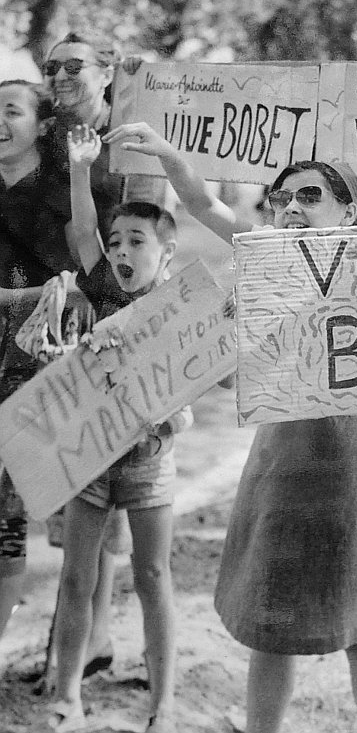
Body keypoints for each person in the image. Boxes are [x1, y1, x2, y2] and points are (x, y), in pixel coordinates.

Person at [104, 120, 357, 733]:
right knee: (269, 615)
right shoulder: (264, 251)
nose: (292, 208)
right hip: (278, 461)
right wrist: (167, 153)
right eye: (284, 198)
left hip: (348, 462)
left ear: (349, 213)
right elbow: (201, 203)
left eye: (311, 197)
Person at [46, 125, 192, 733]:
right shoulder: (104, 289)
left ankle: (165, 701)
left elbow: (190, 391)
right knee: (77, 577)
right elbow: (81, 231)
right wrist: (82, 170)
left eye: (137, 239)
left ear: (166, 251)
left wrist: (172, 413)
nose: (122, 250)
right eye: (116, 241)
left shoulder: (184, 305)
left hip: (149, 465)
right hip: (90, 460)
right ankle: (69, 694)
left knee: (154, 576)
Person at [0, 79, 89, 645]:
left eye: (11, 111)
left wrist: (23, 302)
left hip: (35, 374)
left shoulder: (60, 196)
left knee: (19, 522)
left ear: (40, 124)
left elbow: (85, 281)